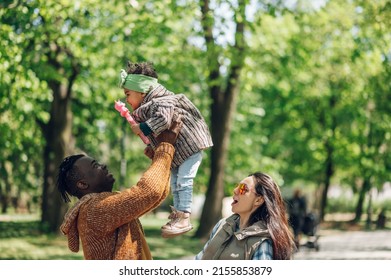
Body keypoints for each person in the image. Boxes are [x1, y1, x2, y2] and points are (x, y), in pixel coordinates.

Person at [57, 117, 182, 260]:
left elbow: (156, 196)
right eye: (95, 166)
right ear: (83, 184)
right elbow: (149, 192)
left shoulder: (99, 207)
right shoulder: (95, 209)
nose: (102, 166)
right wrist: (165, 147)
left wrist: (160, 159)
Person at [118, 61, 213, 238]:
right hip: (179, 151)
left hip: (190, 147)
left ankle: (184, 216)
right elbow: (160, 135)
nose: (126, 100)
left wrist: (143, 128)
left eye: (128, 94)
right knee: (176, 182)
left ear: (142, 91)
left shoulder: (163, 101)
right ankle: (178, 215)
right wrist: (152, 148)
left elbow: (164, 120)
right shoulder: (148, 107)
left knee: (184, 181)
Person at [195, 172, 295, 260]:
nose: (235, 190)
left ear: (258, 200)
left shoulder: (261, 242)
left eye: (243, 188)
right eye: (237, 186)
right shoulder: (222, 225)